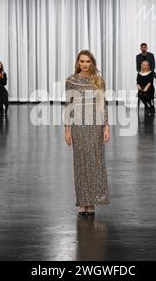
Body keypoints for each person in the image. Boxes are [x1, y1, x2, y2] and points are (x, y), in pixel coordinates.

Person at [64, 50, 109, 216]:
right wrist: (67, 129)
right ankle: (83, 201)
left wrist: (106, 126)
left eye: (88, 61)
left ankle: (92, 202)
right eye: (82, 61)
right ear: (77, 63)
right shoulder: (71, 80)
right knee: (81, 163)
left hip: (95, 124)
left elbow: (102, 104)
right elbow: (68, 105)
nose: (84, 64)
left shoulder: (98, 80)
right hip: (78, 125)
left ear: (92, 63)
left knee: (95, 163)